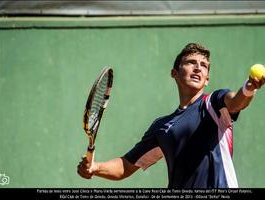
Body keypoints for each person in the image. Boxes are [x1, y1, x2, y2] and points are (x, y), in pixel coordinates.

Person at [77, 43, 265, 188]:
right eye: (191, 62)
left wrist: (248, 89)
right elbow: (126, 166)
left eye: (204, 66)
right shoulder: (161, 127)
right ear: (174, 73)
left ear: (207, 79)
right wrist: (96, 168)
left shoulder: (213, 104)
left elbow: (236, 102)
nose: (198, 68)